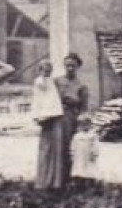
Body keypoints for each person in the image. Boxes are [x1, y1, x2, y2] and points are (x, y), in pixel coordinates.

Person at [36, 54, 88, 190]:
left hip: (69, 120)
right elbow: (43, 93)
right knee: (49, 149)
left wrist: (82, 124)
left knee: (65, 150)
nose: (70, 68)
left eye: (73, 66)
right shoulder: (56, 81)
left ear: (78, 67)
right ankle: (46, 181)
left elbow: (84, 108)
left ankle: (62, 183)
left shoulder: (81, 86)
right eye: (67, 65)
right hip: (53, 118)